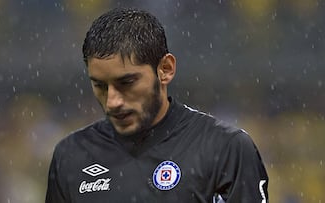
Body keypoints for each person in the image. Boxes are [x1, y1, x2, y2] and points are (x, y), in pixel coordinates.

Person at [45, 7, 269, 203]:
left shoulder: (225, 149)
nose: (113, 101)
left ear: (165, 69)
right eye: (100, 86)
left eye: (127, 83)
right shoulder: (71, 156)